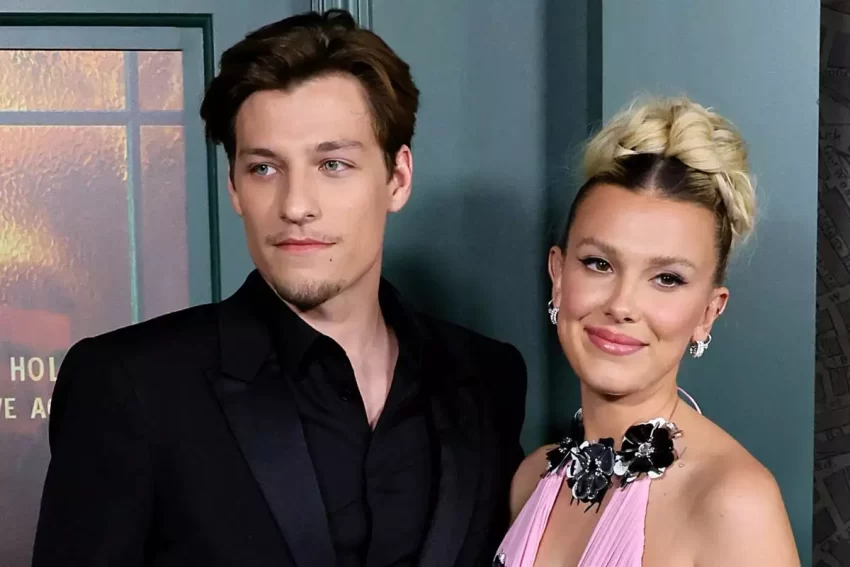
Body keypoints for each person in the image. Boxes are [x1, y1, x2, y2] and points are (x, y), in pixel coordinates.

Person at [31, 9, 527, 567]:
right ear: (234, 187)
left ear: (397, 178)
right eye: (264, 168)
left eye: (333, 164)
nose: (295, 205)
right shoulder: (130, 385)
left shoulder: (487, 379)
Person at [494, 96, 799, 566]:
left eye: (667, 279)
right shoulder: (531, 479)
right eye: (599, 264)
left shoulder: (734, 504)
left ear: (708, 312)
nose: (621, 305)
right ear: (557, 276)